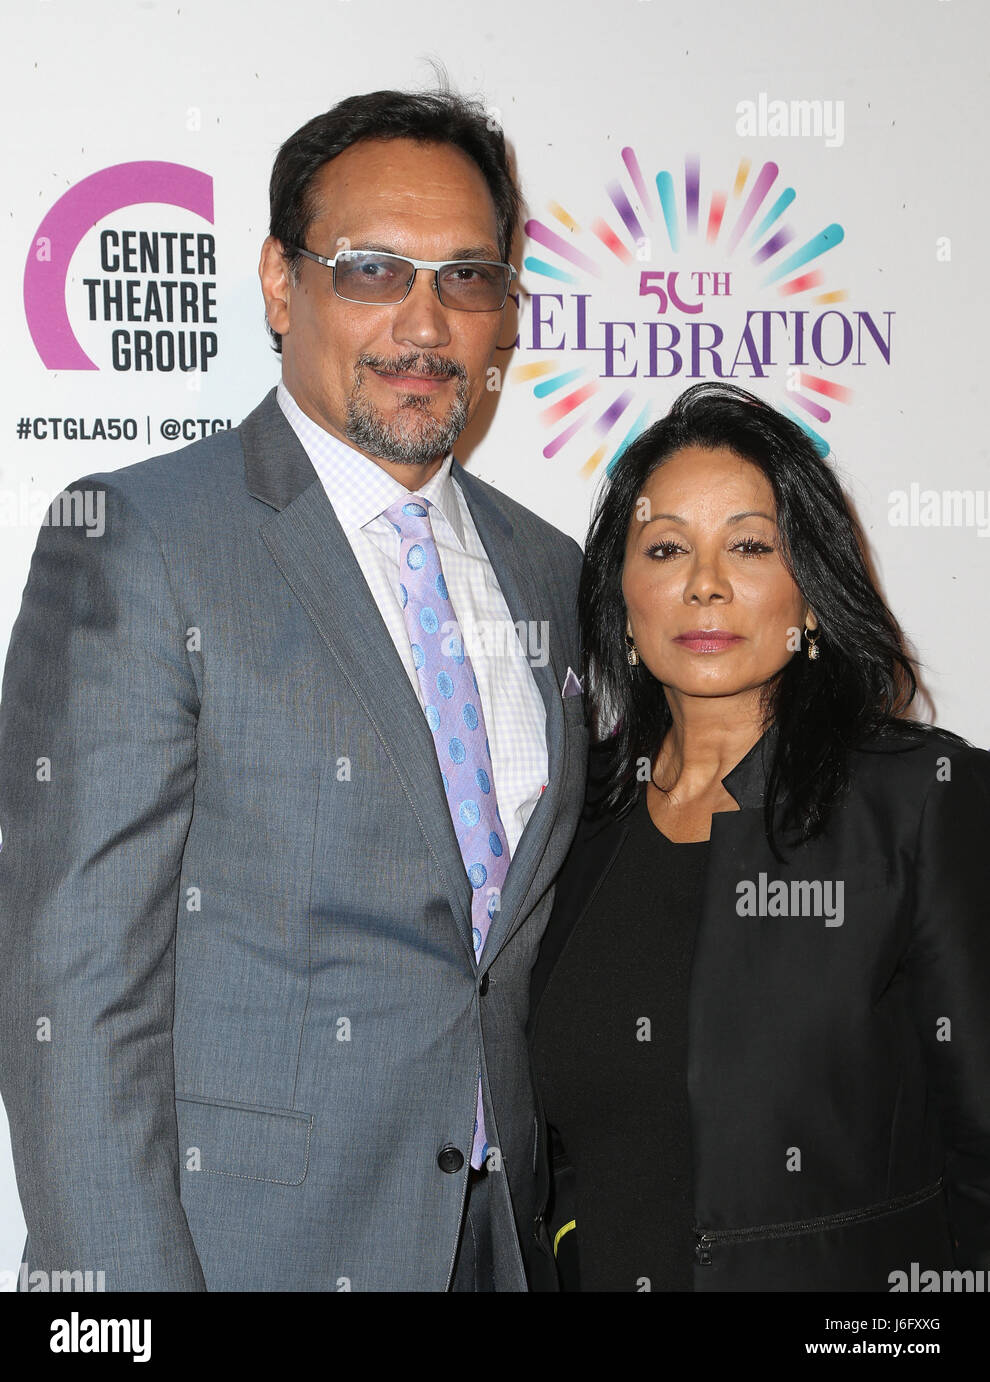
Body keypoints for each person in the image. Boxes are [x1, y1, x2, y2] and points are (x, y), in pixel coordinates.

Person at [0, 88, 589, 1293]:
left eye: (468, 278)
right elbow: (72, 983)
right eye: (374, 269)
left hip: (505, 1251)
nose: (425, 324)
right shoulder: (143, 539)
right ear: (282, 282)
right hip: (243, 1254)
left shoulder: (553, 569)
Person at [527, 381, 990, 1292]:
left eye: (748, 544)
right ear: (622, 603)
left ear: (810, 592)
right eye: (666, 549)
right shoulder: (572, 820)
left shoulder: (922, 804)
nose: (705, 583)